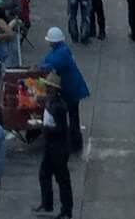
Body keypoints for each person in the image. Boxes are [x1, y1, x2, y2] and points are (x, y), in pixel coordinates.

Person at [37, 28, 88, 151]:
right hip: (71, 88)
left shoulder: (62, 53)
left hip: (71, 90)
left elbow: (51, 63)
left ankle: (74, 143)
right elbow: (49, 59)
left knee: (73, 117)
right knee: (72, 115)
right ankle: (73, 141)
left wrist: (40, 67)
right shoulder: (61, 50)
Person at [34, 78, 75, 217]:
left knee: (62, 179)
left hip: (58, 148)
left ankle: (66, 209)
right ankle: (47, 202)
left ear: (55, 90)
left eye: (49, 87)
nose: (46, 89)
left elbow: (62, 129)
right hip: (50, 146)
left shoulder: (59, 107)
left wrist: (46, 129)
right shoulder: (50, 102)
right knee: (44, 174)